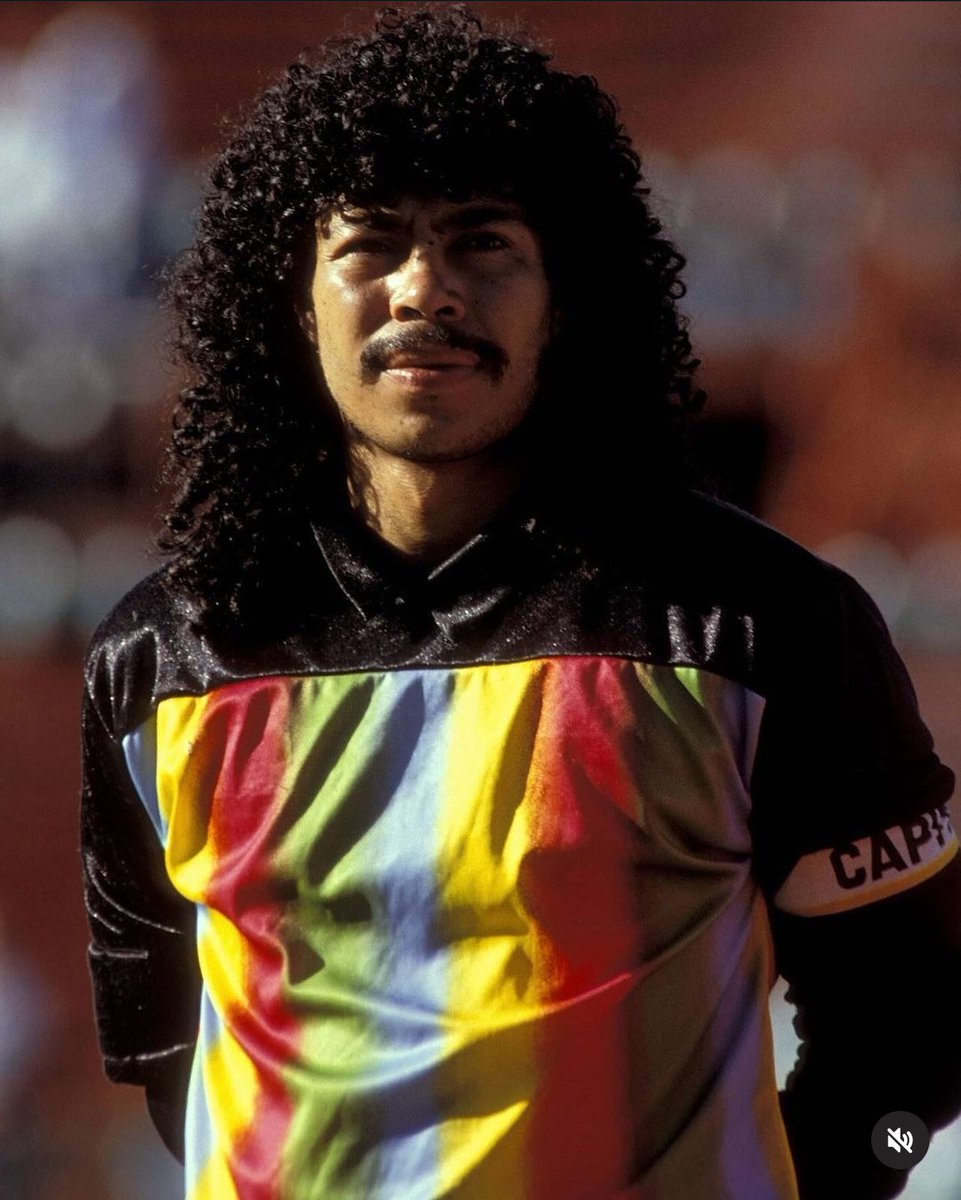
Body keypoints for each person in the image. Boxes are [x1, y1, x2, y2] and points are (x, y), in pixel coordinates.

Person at [80, 7, 961, 1198]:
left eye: (482, 242)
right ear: (292, 300)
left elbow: (911, 1041)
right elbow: (163, 1057)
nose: (424, 290)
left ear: (567, 295)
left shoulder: (759, 627)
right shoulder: (161, 660)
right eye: (369, 244)